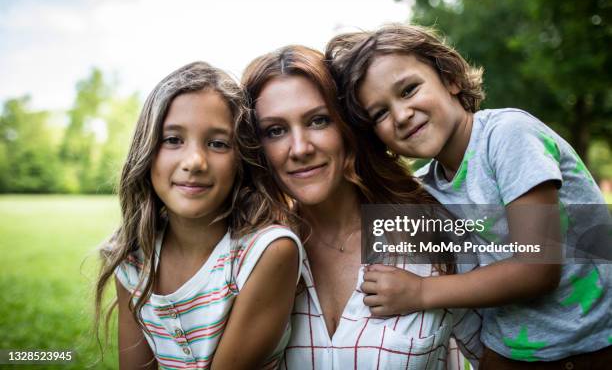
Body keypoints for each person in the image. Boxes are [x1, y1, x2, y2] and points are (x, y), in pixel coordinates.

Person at [325, 24, 612, 367]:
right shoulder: (425, 188)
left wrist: (419, 292)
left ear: (450, 79)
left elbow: (538, 269)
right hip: (511, 349)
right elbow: (366, 224)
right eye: (380, 114)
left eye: (409, 90)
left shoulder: (507, 136)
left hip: (592, 343)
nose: (401, 115)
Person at [240, 45, 482, 369]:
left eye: (318, 120)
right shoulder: (249, 252)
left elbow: (511, 339)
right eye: (275, 130)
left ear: (348, 127)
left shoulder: (430, 222)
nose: (300, 148)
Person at [94, 61, 302, 369]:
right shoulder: (133, 256)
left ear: (240, 159)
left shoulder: (266, 252)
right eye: (173, 140)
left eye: (218, 143)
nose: (194, 161)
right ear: (147, 150)